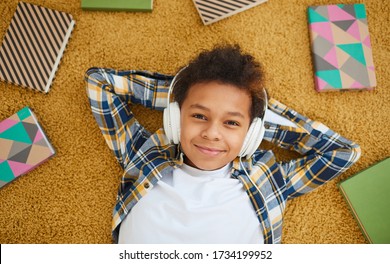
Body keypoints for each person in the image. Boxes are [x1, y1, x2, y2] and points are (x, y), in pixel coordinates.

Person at [85, 44, 361, 244]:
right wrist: (179, 94)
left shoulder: (270, 179)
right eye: (199, 115)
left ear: (252, 133)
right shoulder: (143, 153)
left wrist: (260, 116)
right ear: (174, 118)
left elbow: (343, 152)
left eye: (231, 123)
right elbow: (100, 84)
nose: (212, 133)